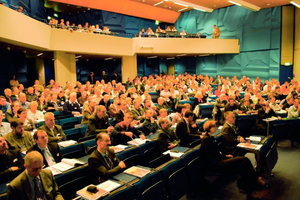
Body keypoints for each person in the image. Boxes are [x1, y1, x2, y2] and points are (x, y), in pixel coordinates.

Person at [200, 120, 267, 198]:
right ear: (210, 128)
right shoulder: (206, 140)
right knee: (244, 160)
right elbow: (210, 158)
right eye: (214, 126)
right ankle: (254, 181)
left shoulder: (210, 137)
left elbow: (216, 153)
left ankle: (249, 184)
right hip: (216, 164)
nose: (216, 128)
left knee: (243, 163)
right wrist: (223, 158)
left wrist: (226, 156)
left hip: (220, 160)